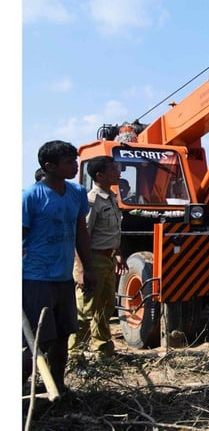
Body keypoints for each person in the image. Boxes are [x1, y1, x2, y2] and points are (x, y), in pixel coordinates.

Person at [23, 140, 96, 394]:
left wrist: (88, 267)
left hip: (63, 278)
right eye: (69, 162)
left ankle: (57, 386)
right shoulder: (31, 197)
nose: (75, 166)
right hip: (35, 278)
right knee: (37, 339)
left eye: (75, 160)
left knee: (64, 334)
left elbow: (81, 233)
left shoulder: (76, 193)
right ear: (49, 166)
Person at [70, 156, 127, 357]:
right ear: (99, 175)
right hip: (93, 261)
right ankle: (75, 355)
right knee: (85, 311)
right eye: (113, 169)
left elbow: (110, 232)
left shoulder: (111, 198)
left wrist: (117, 253)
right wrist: (83, 270)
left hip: (108, 260)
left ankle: (103, 349)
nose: (118, 172)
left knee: (105, 307)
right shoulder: (91, 201)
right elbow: (81, 236)